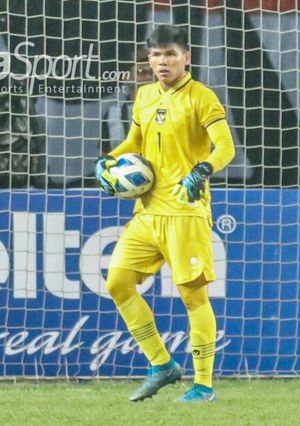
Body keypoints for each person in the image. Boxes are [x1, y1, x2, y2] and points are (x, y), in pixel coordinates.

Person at [94, 25, 235, 403]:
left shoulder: (201, 98)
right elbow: (135, 142)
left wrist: (204, 169)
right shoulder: (143, 96)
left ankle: (203, 386)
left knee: (194, 298)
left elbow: (225, 146)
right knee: (117, 283)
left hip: (186, 213)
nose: (161, 61)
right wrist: (111, 160)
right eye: (155, 55)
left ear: (186, 57)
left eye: (170, 54)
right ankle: (162, 365)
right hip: (147, 213)